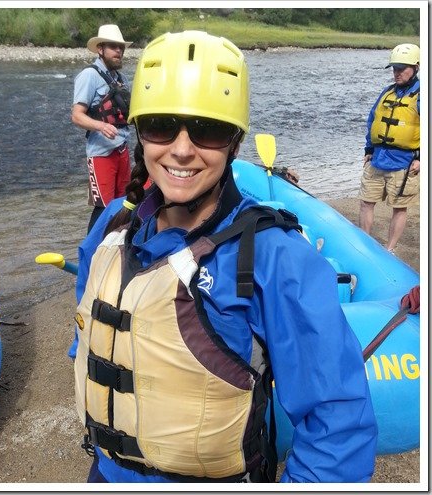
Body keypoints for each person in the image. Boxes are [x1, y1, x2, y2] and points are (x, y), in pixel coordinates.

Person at [71, 30, 377, 483]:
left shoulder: (273, 257)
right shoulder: (115, 224)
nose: (180, 149)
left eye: (208, 130)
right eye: (160, 125)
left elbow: (338, 426)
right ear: (139, 132)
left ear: (234, 142)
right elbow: (87, 336)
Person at [358, 43, 420, 253]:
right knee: (366, 202)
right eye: (395, 68)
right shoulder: (387, 93)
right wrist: (368, 149)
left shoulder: (422, 96)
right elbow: (372, 120)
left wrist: (421, 158)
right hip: (378, 159)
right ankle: (364, 244)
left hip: (404, 163)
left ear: (416, 67)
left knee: (399, 207)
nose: (397, 73)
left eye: (402, 68)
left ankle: (390, 249)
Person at [72, 24, 133, 233]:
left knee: (122, 204)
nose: (119, 51)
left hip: (122, 149)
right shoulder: (89, 76)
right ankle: (89, 255)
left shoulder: (121, 79)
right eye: (114, 47)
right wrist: (101, 126)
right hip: (101, 153)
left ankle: (115, 248)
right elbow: (77, 115)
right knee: (103, 208)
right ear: (100, 49)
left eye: (121, 48)